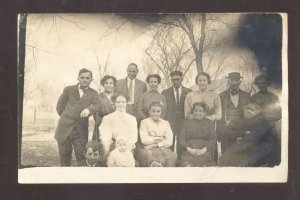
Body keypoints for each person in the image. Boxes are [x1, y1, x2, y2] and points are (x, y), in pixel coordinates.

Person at [55, 68, 98, 166]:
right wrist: (66, 117)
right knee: (64, 159)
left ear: (91, 79)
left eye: (87, 78)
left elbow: (96, 106)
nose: (85, 80)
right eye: (82, 77)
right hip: (64, 128)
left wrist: (88, 110)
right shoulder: (68, 89)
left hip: (80, 130)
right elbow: (59, 107)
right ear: (78, 78)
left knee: (82, 158)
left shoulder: (94, 93)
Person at [218, 102, 279, 167]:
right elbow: (226, 131)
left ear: (257, 112)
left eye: (252, 110)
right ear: (243, 110)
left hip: (254, 149)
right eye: (247, 108)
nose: (248, 111)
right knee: (226, 158)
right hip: (240, 147)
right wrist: (242, 133)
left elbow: (258, 137)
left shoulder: (260, 121)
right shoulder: (237, 120)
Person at [216, 72, 251, 153]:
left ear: (240, 81)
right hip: (226, 132)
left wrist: (249, 131)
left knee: (242, 155)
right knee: (227, 156)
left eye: (236, 80)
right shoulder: (221, 96)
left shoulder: (247, 95)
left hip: (243, 131)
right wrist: (219, 133)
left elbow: (250, 114)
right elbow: (219, 115)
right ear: (228, 81)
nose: (234, 83)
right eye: (232, 80)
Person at [136, 101, 177, 167]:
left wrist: (158, 144)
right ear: (149, 112)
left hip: (163, 149)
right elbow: (144, 140)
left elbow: (169, 141)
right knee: (146, 156)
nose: (155, 113)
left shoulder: (165, 123)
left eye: (158, 111)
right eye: (153, 111)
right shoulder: (144, 122)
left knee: (172, 156)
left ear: (161, 113)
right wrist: (160, 139)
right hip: (148, 149)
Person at [162, 71, 192, 154]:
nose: (175, 81)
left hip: (183, 122)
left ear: (182, 79)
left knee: (182, 144)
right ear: (171, 80)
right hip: (170, 122)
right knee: (169, 143)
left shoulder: (189, 92)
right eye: (173, 79)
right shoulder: (165, 92)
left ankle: (180, 162)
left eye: (178, 79)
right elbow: (164, 109)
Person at [99, 94, 138, 160]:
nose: (121, 104)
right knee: (106, 145)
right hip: (113, 144)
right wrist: (112, 143)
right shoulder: (108, 118)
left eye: (123, 102)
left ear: (126, 103)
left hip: (127, 144)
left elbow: (133, 136)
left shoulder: (132, 119)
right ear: (114, 103)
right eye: (118, 102)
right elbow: (105, 134)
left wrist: (125, 145)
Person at [178, 102, 217, 167]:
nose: (198, 113)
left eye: (200, 111)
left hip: (204, 151)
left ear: (204, 113)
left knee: (204, 165)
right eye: (196, 110)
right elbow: (181, 138)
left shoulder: (209, 123)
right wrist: (190, 150)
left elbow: (213, 139)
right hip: (189, 151)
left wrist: (203, 150)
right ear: (193, 111)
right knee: (187, 165)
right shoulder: (187, 123)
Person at [91, 75, 117, 141]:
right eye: (106, 83)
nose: (108, 85)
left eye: (111, 83)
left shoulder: (118, 97)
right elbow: (94, 112)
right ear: (103, 84)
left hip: (116, 125)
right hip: (102, 125)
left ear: (114, 85)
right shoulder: (98, 97)